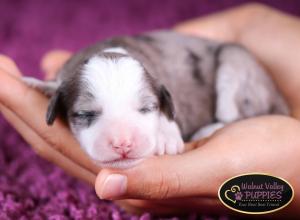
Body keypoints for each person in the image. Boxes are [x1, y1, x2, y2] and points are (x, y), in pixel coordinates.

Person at [0, 3, 299, 217]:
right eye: (88, 115)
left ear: (161, 103)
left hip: (227, 68)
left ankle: (228, 120)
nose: (121, 140)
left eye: (144, 109)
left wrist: (167, 124)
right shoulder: (66, 83)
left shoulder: (158, 85)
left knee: (234, 62)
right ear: (56, 107)